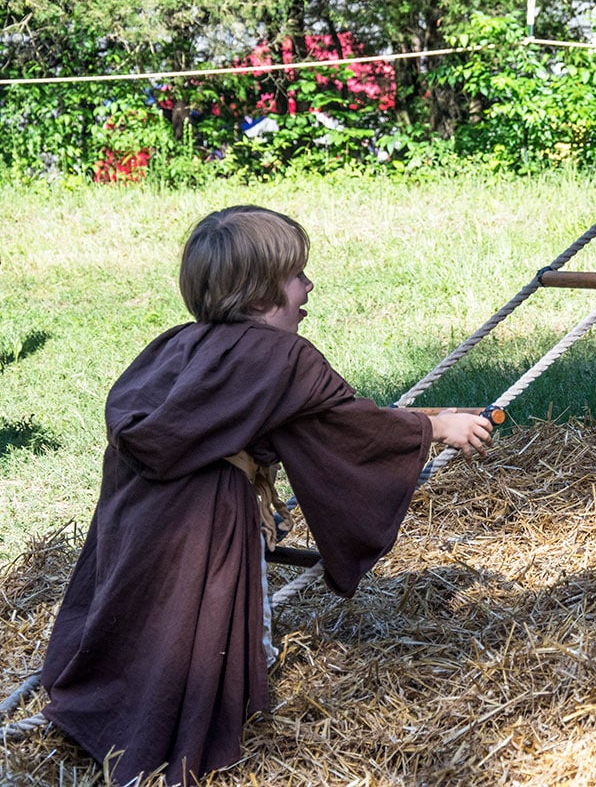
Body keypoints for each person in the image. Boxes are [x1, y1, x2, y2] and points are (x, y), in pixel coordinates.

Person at [40, 206, 493, 784]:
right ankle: (209, 706)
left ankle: (105, 701)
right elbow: (348, 426)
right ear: (258, 295)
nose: (308, 287)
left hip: (136, 512)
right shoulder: (285, 358)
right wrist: (434, 428)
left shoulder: (173, 346)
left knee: (141, 609)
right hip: (208, 520)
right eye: (297, 276)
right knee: (205, 628)